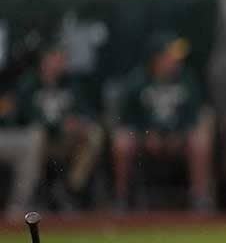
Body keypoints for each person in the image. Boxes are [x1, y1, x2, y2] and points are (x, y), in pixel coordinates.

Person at [112, 32, 213, 212]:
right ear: (156, 58)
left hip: (179, 138)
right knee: (122, 141)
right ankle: (122, 198)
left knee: (200, 139)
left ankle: (199, 197)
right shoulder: (137, 81)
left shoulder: (186, 78)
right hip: (144, 139)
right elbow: (126, 119)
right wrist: (146, 134)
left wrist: (179, 134)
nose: (176, 61)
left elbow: (193, 116)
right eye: (170, 56)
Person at [16, 43, 103, 211]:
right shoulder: (29, 83)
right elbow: (25, 117)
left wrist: (80, 122)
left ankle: (71, 187)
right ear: (44, 60)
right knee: (36, 134)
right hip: (40, 142)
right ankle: (34, 193)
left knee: (94, 133)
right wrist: (58, 126)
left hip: (65, 141)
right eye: (55, 58)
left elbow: (86, 111)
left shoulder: (71, 83)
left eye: (63, 59)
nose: (60, 63)